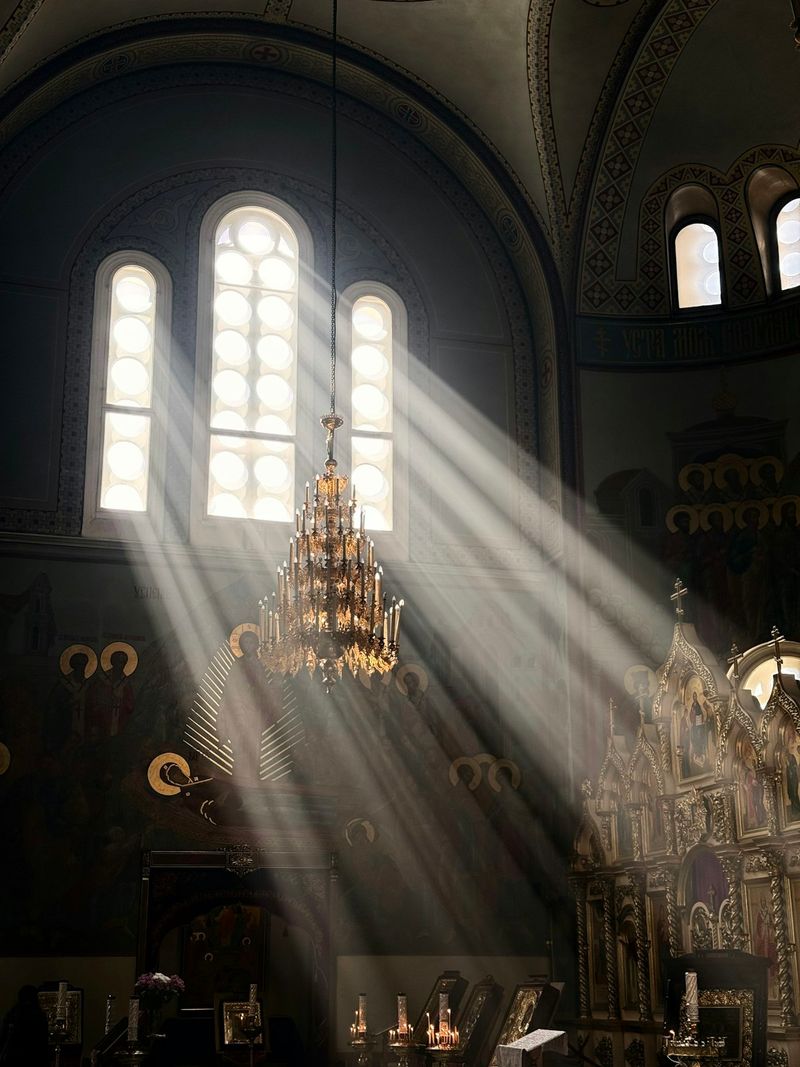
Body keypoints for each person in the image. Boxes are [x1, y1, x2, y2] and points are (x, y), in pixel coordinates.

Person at [0, 985, 49, 1067]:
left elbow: (4, 1037)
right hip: (35, 1057)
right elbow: (43, 1041)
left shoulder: (13, 1014)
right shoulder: (39, 1015)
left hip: (14, 1058)